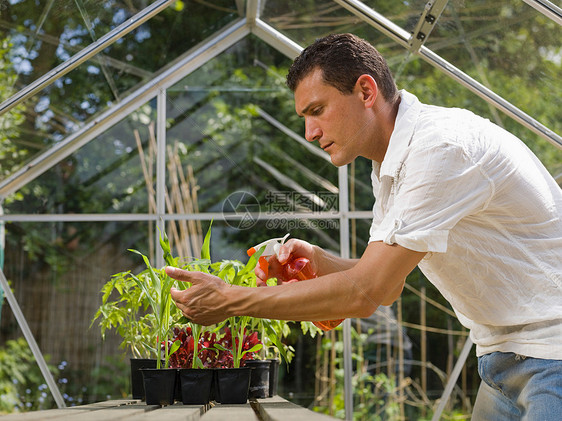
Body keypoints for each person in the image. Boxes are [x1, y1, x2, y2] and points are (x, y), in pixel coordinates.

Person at [167, 33, 562, 419]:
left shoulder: (439, 150)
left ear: (366, 91)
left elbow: (365, 293)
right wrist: (319, 261)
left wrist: (230, 300)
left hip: (552, 356)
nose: (310, 133)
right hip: (502, 357)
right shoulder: (390, 163)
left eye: (317, 110)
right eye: (304, 118)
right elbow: (386, 285)